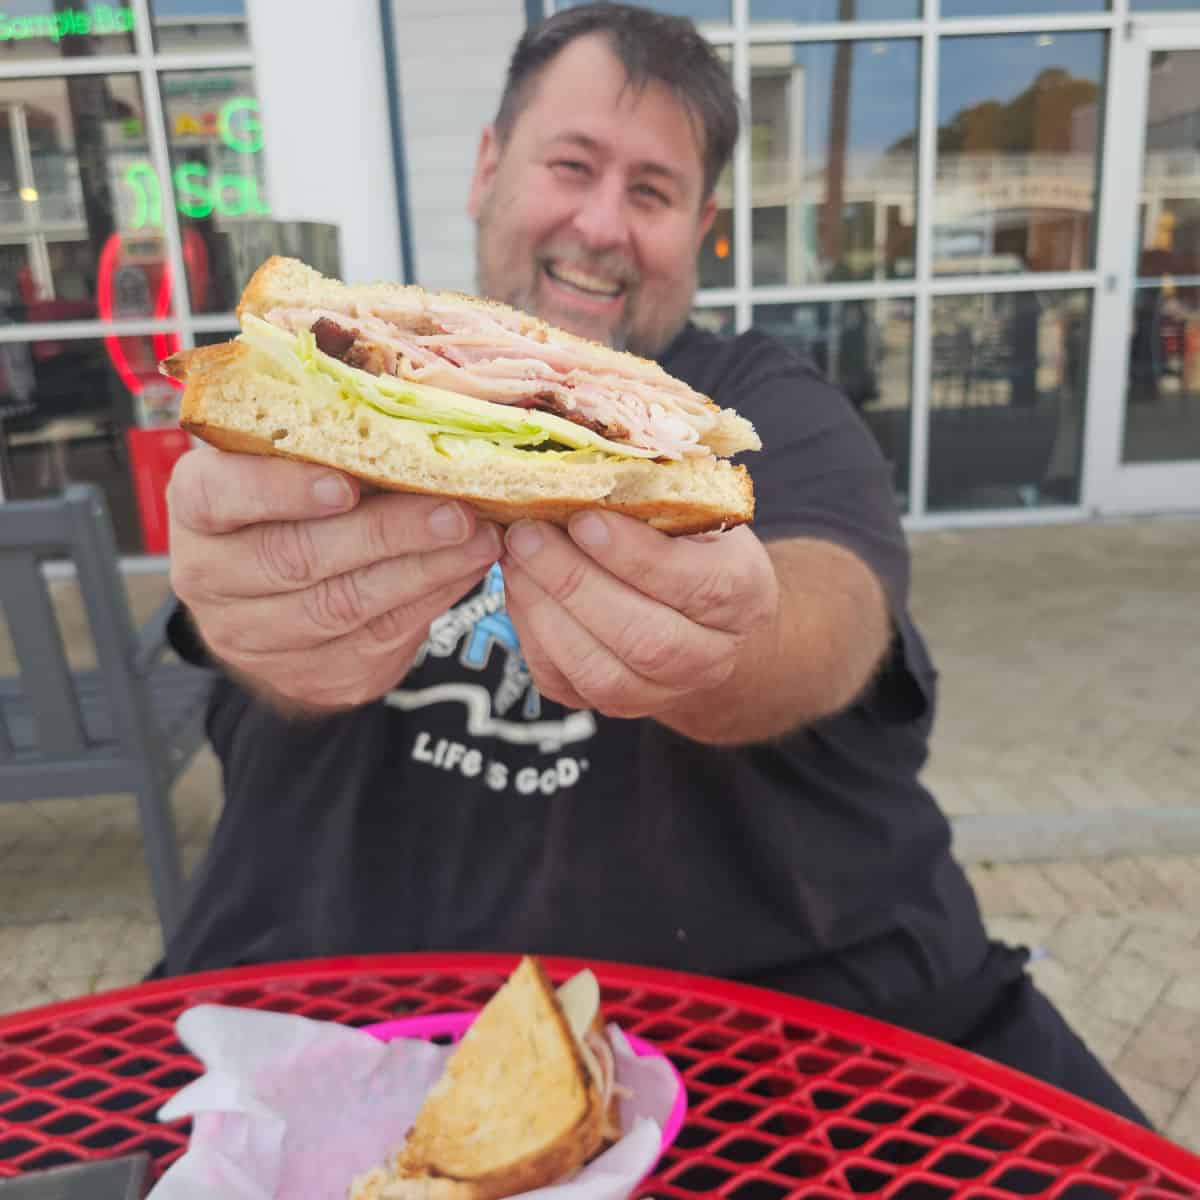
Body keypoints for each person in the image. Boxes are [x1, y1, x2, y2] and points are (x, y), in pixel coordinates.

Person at [161, 3, 1147, 1127]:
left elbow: (836, 607)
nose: (601, 225)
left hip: (777, 1051)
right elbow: (247, 659)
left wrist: (736, 643)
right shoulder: (311, 403)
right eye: (571, 165)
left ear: (702, 225)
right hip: (336, 1021)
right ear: (487, 166)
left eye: (653, 191)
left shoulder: (770, 407)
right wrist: (262, 625)